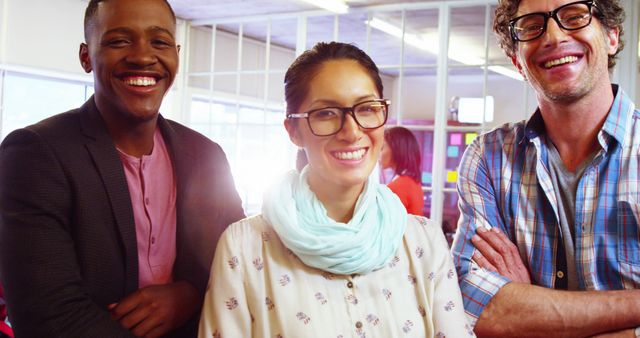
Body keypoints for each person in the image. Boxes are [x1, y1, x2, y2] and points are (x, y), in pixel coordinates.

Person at [0, 0, 244, 337]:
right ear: (86, 56)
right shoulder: (36, 154)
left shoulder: (205, 154)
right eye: (118, 41)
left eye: (159, 42)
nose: (143, 56)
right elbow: (46, 316)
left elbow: (240, 264)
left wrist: (189, 295)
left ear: (176, 53)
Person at [199, 42, 473, 337]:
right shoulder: (246, 245)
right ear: (293, 130)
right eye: (326, 113)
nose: (352, 131)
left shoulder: (423, 240)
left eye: (367, 109)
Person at [451, 0, 640, 337]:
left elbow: (507, 316)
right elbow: (472, 304)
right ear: (517, 62)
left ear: (611, 36)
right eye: (531, 26)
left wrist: (527, 306)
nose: (553, 35)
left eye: (574, 16)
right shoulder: (488, 158)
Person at [380, 126, 425, 216]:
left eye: (382, 148)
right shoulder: (412, 182)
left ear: (395, 149)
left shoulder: (397, 187)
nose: (379, 153)